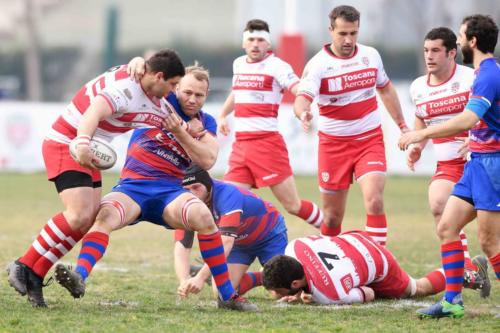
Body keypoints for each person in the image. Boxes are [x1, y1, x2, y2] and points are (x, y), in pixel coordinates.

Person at [53, 65, 258, 311]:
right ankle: (80, 276)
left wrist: (180, 132)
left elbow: (208, 160)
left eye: (200, 95)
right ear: (176, 87)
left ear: (207, 95)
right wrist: (138, 61)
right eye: (187, 92)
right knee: (104, 215)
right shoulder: (158, 99)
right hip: (132, 187)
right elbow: (144, 73)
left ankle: (227, 297)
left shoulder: (206, 122)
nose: (192, 100)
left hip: (170, 192)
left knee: (204, 217)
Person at [6, 50, 185, 307]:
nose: (174, 90)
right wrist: (81, 143)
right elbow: (93, 112)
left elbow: (180, 127)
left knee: (88, 219)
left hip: (91, 149)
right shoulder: (127, 88)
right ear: (158, 76)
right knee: (78, 215)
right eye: (173, 84)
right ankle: (23, 264)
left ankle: (36, 273)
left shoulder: (152, 93)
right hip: (67, 142)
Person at [399, 15, 499, 318]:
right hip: (476, 163)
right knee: (447, 226)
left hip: (492, 165)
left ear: (472, 42)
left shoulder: (486, 75)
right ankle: (453, 302)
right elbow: (477, 122)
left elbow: (469, 119)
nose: (458, 40)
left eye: (460, 36)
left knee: (489, 242)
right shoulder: (484, 73)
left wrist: (422, 134)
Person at [293, 5, 408, 245]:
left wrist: (402, 125)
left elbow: (385, 89)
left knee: (374, 200)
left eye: (353, 33)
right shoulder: (318, 65)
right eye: (342, 33)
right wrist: (302, 113)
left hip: (369, 140)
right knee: (333, 217)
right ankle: (327, 259)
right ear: (331, 30)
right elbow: (302, 98)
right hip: (333, 146)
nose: (348, 40)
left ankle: (378, 266)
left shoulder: (371, 56)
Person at [218, 19, 324, 229]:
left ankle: (331, 231)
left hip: (266, 145)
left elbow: (297, 88)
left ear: (268, 44)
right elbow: (236, 92)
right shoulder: (238, 64)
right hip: (241, 146)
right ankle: (218, 259)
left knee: (293, 205)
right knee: (227, 204)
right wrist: (222, 114)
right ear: (243, 43)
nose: (255, 44)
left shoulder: (277, 66)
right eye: (251, 39)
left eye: (260, 40)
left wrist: (303, 109)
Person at [262, 232, 487, 305]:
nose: (275, 295)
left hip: (379, 262)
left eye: (278, 291)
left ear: (293, 283)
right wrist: (305, 289)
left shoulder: (328, 295)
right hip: (355, 238)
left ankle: (469, 272)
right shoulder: (294, 246)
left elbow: (368, 293)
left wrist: (314, 292)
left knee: (418, 288)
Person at [175, 165, 288, 298]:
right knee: (221, 293)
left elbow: (226, 242)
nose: (192, 193)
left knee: (280, 290)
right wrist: (184, 281)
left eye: (196, 187)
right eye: (186, 189)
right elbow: (182, 245)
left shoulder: (227, 194)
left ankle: (264, 276)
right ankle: (261, 276)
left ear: (208, 184)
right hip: (239, 244)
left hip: (268, 235)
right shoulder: (186, 203)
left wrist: (200, 277)